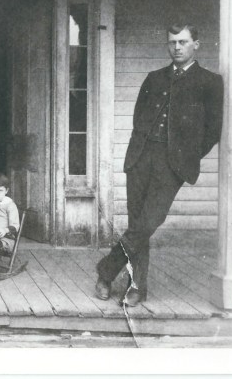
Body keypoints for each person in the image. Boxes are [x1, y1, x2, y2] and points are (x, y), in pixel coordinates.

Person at [95, 23, 223, 307]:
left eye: (183, 42)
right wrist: (140, 152)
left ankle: (106, 271)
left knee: (148, 222)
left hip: (172, 164)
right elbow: (139, 117)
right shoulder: (154, 78)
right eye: (172, 42)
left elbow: (213, 131)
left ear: (196, 44)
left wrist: (186, 155)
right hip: (141, 158)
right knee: (138, 225)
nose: (177, 47)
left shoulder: (210, 82)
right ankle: (136, 288)